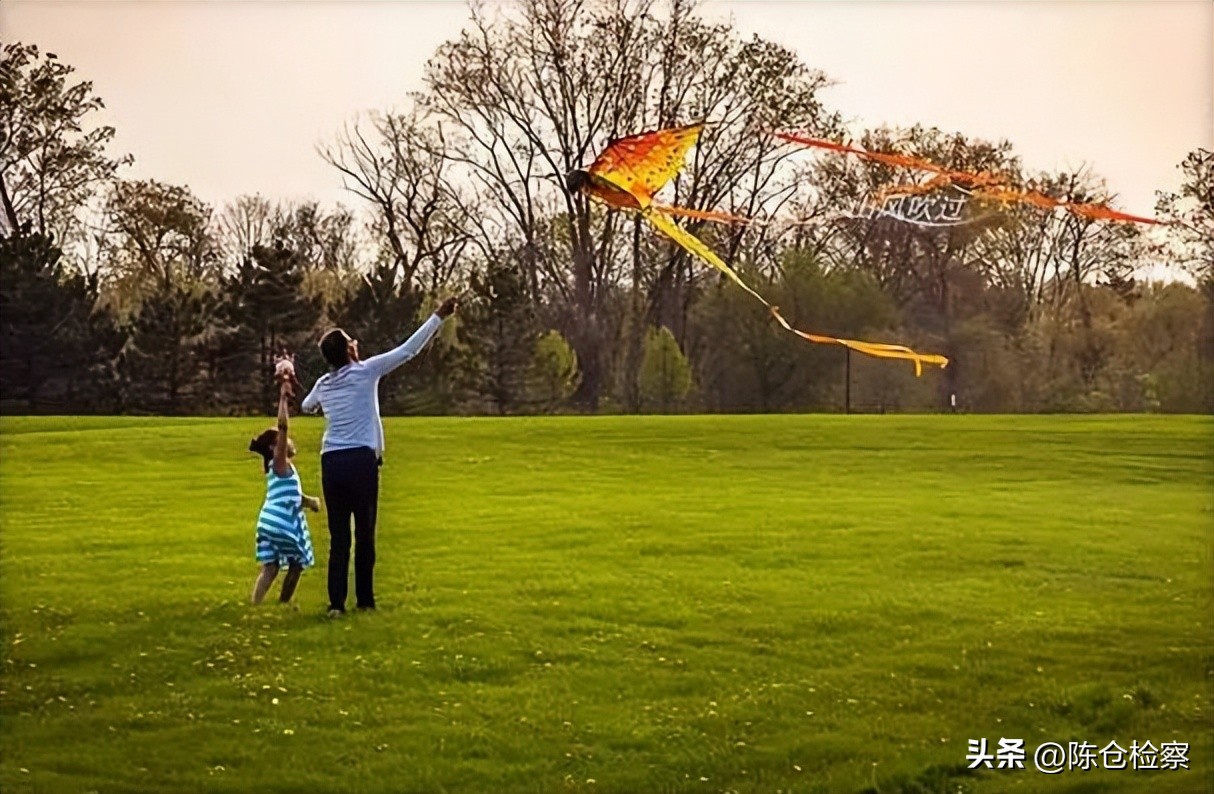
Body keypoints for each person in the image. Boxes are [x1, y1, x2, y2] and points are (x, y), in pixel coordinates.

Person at [301, 297, 458, 616]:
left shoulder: (323, 383)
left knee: (339, 536)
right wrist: (438, 317)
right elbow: (408, 350)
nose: (355, 342)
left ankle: (335, 604)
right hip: (360, 460)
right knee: (365, 532)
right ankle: (365, 601)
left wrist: (321, 402)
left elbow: (306, 405)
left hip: (331, 460)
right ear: (349, 351)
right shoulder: (367, 371)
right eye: (350, 340)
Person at [247, 355, 320, 605]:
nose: (289, 441)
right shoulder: (279, 463)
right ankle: (284, 604)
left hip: (266, 522)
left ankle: (255, 604)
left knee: (270, 568)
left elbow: (291, 497)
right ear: (274, 446)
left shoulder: (275, 469)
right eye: (282, 440)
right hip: (280, 523)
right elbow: (283, 428)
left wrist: (309, 502)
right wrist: (283, 398)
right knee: (297, 563)